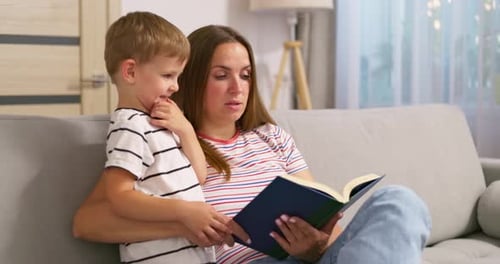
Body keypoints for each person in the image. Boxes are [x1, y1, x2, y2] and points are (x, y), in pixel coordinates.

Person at [73, 24, 432, 264]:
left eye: (245, 75)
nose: (238, 87)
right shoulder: (165, 140)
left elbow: (327, 224)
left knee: (399, 200)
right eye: (221, 75)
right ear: (192, 78)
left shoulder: (271, 136)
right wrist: (188, 223)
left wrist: (315, 245)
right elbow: (88, 222)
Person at [98, 12, 229, 263]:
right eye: (168, 76)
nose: (176, 86)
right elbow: (119, 196)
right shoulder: (129, 126)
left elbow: (198, 176)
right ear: (130, 72)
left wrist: (185, 130)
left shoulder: (158, 122)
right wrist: (184, 213)